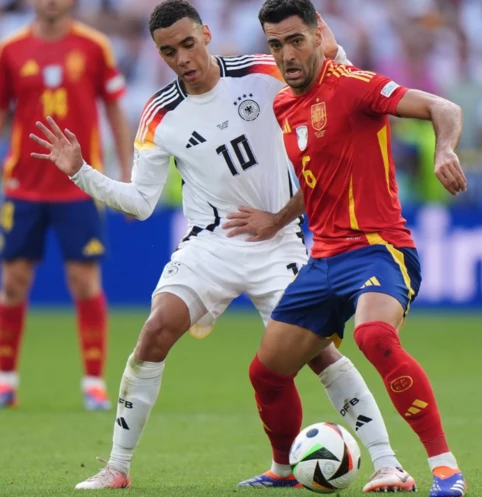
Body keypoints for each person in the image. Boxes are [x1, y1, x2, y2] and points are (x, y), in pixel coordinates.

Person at [30, 0, 417, 492]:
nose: (183, 59)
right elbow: (140, 204)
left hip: (278, 245)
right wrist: (81, 172)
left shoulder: (262, 72)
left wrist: (278, 217)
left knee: (319, 355)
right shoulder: (159, 115)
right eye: (169, 52)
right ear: (159, 53)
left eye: (189, 44)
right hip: (209, 245)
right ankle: (117, 467)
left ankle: (387, 463)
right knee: (154, 333)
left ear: (207, 35)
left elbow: (333, 66)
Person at [234, 0, 469, 495]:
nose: (286, 54)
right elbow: (316, 181)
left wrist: (444, 148)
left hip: (379, 249)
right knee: (266, 373)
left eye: (296, 40)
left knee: (374, 338)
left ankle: (445, 469)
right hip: (322, 261)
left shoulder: (355, 85)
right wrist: (278, 218)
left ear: (319, 35)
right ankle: (282, 470)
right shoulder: (283, 105)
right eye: (275, 45)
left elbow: (443, 107)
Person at [0, 0, 131, 410]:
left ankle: (93, 382)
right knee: (14, 282)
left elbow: (114, 108)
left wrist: (126, 175)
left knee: (83, 280)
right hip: (23, 185)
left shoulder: (94, 47)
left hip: (79, 187)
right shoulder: (10, 50)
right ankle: (6, 380)